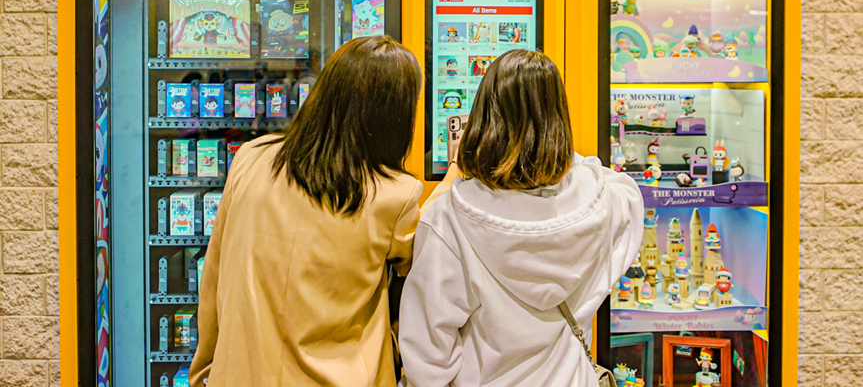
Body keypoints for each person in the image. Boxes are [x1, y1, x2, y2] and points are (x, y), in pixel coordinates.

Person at [398, 49, 644, 387]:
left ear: (484, 119)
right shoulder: (607, 202)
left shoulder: (449, 220)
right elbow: (609, 179)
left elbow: (427, 357)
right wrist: (548, 144)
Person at [190, 36, 424, 387]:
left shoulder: (251, 158)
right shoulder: (394, 195)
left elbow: (215, 275)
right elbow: (427, 276)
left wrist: (204, 371)